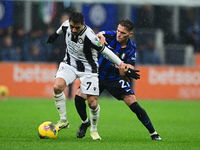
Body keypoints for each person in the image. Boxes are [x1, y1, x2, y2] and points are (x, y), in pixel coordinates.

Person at [74, 19, 162, 141]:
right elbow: (96, 35)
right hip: (96, 76)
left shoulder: (131, 49)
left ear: (130, 34)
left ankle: (153, 133)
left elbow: (128, 73)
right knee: (79, 98)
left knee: (133, 103)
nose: (118, 34)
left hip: (114, 79)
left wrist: (123, 73)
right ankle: (85, 123)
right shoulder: (110, 35)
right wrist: (98, 36)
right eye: (118, 31)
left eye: (122, 33)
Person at [46, 12, 131, 133]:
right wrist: (55, 34)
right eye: (72, 27)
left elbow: (106, 51)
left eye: (77, 27)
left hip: (88, 69)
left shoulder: (90, 36)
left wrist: (121, 64)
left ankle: (94, 129)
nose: (74, 30)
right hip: (70, 64)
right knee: (57, 87)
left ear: (83, 24)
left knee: (92, 103)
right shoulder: (66, 25)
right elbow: (62, 28)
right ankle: (63, 120)